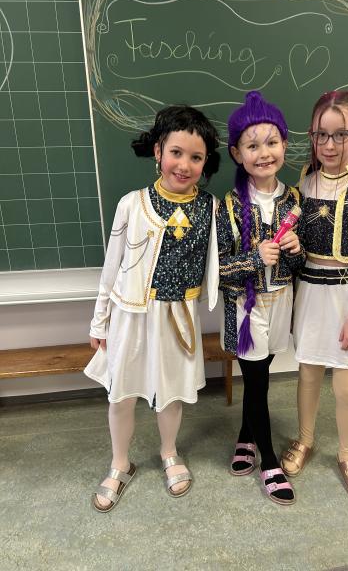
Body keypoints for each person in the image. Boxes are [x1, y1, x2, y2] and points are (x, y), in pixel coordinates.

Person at [85, 105, 220, 511]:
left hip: (178, 317)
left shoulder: (211, 207)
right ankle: (119, 462)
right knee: (121, 394)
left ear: (205, 162)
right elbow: (111, 267)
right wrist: (99, 321)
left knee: (171, 393)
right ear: (158, 151)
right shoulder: (132, 204)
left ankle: (169, 452)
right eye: (176, 152)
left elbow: (222, 260)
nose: (184, 165)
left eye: (195, 157)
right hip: (130, 315)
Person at [281, 90, 348, 499]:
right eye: (320, 135)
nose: (329, 145)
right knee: (308, 374)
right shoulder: (305, 180)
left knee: (346, 386)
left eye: (339, 135)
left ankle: (347, 454)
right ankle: (305, 439)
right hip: (310, 292)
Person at [217, 90, 305, 505]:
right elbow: (217, 270)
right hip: (244, 308)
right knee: (256, 382)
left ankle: (244, 435)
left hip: (281, 300)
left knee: (260, 377)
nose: (264, 153)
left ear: (284, 145)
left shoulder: (295, 199)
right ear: (237, 153)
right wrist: (254, 258)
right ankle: (269, 462)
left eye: (272, 142)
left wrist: (296, 250)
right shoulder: (228, 206)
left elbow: (301, 264)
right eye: (252, 146)